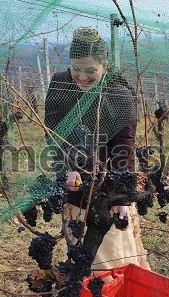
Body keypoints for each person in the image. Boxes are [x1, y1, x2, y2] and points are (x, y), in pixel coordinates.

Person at [44, 26, 149, 270]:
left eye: (90, 70)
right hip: (74, 180)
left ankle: (114, 289)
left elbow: (124, 148)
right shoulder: (60, 84)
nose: (81, 76)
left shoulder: (119, 95)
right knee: (78, 240)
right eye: (76, 68)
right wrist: (65, 165)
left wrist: (122, 198)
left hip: (106, 183)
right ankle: (82, 286)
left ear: (104, 66)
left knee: (110, 247)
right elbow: (52, 131)